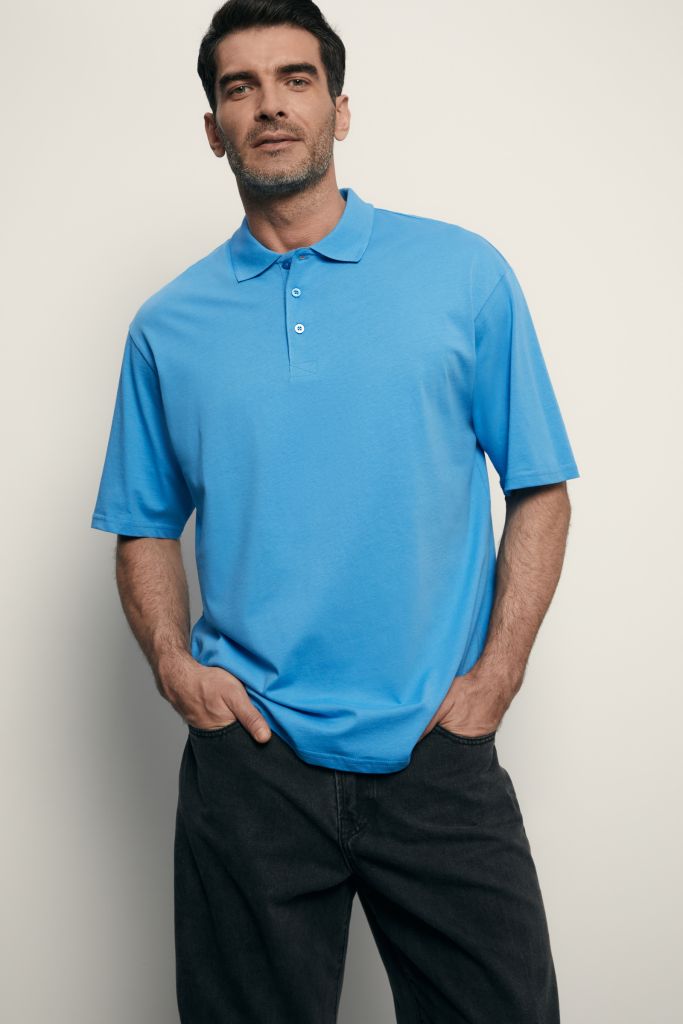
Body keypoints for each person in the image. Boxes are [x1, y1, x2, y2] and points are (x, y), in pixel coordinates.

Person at [90, 1, 580, 1020]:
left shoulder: (462, 275)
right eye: (240, 87)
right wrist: (177, 668)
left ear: (340, 110)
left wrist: (493, 679)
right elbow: (143, 525)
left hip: (436, 749)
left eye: (295, 79)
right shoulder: (167, 326)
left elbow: (539, 486)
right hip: (251, 765)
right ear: (213, 128)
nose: (269, 105)